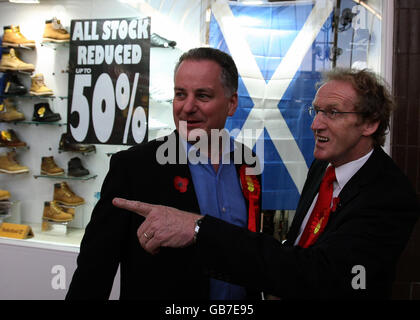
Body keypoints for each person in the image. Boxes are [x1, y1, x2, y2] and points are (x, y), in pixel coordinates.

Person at [113, 68, 420, 299]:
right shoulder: (324, 165)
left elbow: (324, 274)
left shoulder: (389, 195)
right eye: (316, 111)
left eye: (333, 113)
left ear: (370, 123)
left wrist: (197, 228)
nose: (315, 123)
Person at [66, 47, 262, 300]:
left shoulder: (247, 161)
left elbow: (250, 246)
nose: (187, 107)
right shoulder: (134, 167)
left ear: (231, 103)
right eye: (180, 94)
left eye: (202, 96)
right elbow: (95, 267)